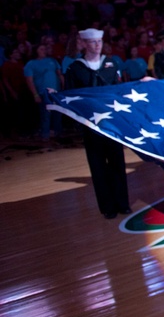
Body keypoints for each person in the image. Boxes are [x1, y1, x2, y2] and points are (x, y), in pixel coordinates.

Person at [64, 28, 130, 219]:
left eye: (99, 41)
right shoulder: (75, 68)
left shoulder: (111, 64)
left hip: (112, 124)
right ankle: (108, 207)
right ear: (84, 43)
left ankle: (123, 203)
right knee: (98, 166)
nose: (97, 45)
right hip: (91, 125)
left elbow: (119, 90)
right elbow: (70, 96)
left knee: (117, 163)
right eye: (92, 42)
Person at [24, 41, 64, 141]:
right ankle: (45, 135)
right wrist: (35, 94)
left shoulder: (53, 60)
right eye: (41, 49)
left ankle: (58, 134)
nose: (44, 51)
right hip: (43, 92)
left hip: (56, 92)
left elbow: (59, 74)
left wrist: (63, 87)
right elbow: (29, 80)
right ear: (36, 51)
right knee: (45, 115)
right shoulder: (31, 63)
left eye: (45, 49)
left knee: (58, 114)